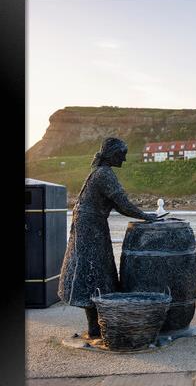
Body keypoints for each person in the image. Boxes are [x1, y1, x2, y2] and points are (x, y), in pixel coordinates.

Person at [58, 138, 158, 339]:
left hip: (89, 225)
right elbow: (123, 204)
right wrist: (146, 216)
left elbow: (120, 205)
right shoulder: (104, 174)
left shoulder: (99, 172)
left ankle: (97, 325)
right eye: (123, 153)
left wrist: (142, 214)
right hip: (90, 228)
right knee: (94, 272)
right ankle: (96, 327)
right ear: (113, 154)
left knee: (94, 272)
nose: (125, 158)